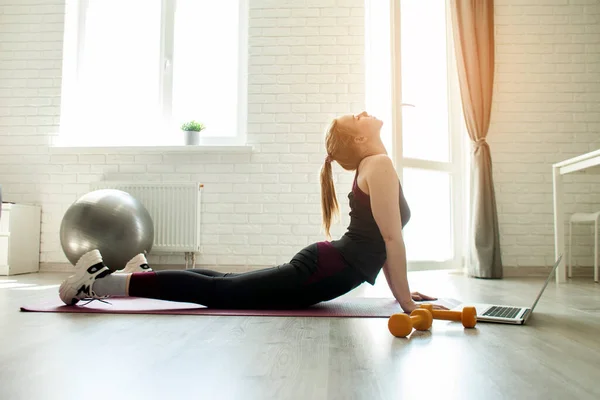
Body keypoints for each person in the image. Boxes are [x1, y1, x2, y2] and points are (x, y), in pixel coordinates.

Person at [59, 111, 448, 313]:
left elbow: (380, 239)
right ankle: (98, 283)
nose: (364, 112)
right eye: (357, 117)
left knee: (225, 283)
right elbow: (390, 239)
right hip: (323, 268)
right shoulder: (378, 165)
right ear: (361, 138)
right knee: (220, 292)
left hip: (327, 265)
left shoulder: (376, 165)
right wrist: (406, 302)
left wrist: (402, 291)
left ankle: (142, 276)